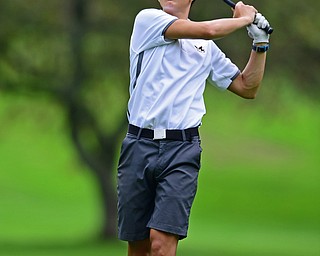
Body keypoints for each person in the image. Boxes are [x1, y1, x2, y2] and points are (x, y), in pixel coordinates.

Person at [117, 0, 271, 255]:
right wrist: (245, 18)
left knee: (161, 243)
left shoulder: (206, 49)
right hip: (138, 145)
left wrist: (260, 43)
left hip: (182, 151)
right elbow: (207, 30)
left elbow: (247, 87)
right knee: (139, 246)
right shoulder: (148, 20)